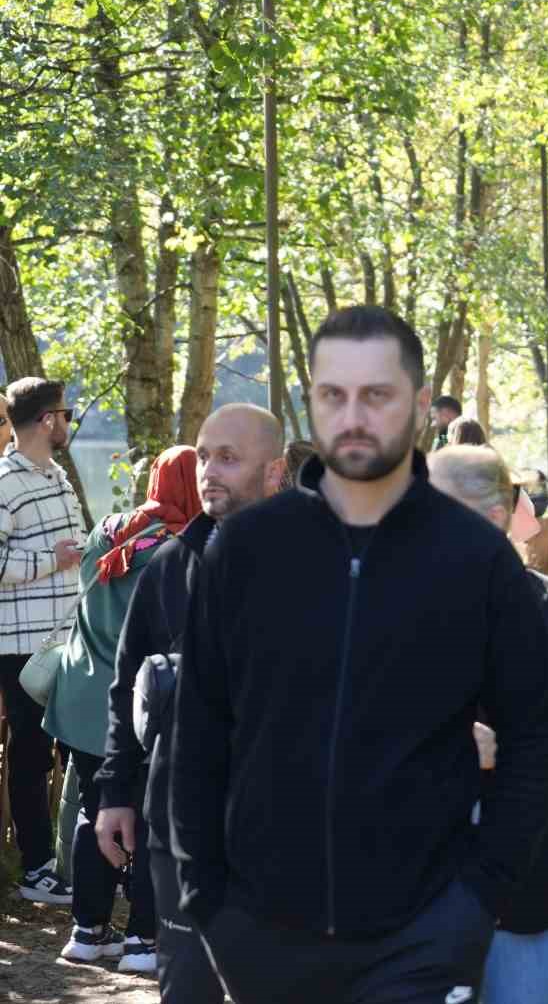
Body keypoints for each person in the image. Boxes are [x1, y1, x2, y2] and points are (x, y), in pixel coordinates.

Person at [170, 306, 548, 1003]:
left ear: (418, 407)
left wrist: (478, 895)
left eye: (375, 395)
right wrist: (207, 898)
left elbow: (535, 734)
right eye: (333, 394)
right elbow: (199, 727)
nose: (353, 415)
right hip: (262, 932)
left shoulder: (475, 560)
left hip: (421, 938)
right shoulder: (246, 550)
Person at [96, 404, 285, 1004]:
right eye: (203, 456)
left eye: (229, 458)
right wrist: (115, 793)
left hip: (286, 827)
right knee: (188, 992)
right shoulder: (166, 570)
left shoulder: (319, 570)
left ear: (275, 471)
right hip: (179, 823)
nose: (209, 471)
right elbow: (128, 687)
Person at [429, 446, 548, 1004]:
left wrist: (508, 748)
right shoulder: (399, 614)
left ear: (492, 519)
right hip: (424, 893)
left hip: (533, 890)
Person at [44, 445, 201, 970]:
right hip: (140, 706)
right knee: (151, 819)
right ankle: (142, 939)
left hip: (81, 697)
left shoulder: (108, 530)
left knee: (96, 811)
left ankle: (87, 931)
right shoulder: (183, 549)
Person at [0, 377, 84, 905]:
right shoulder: (4, 482)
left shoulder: (58, 477)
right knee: (30, 754)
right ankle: (36, 870)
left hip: (68, 641)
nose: (69, 422)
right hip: (21, 644)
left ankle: (77, 862)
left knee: (76, 750)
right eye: (66, 413)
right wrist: (51, 560)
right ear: (47, 419)